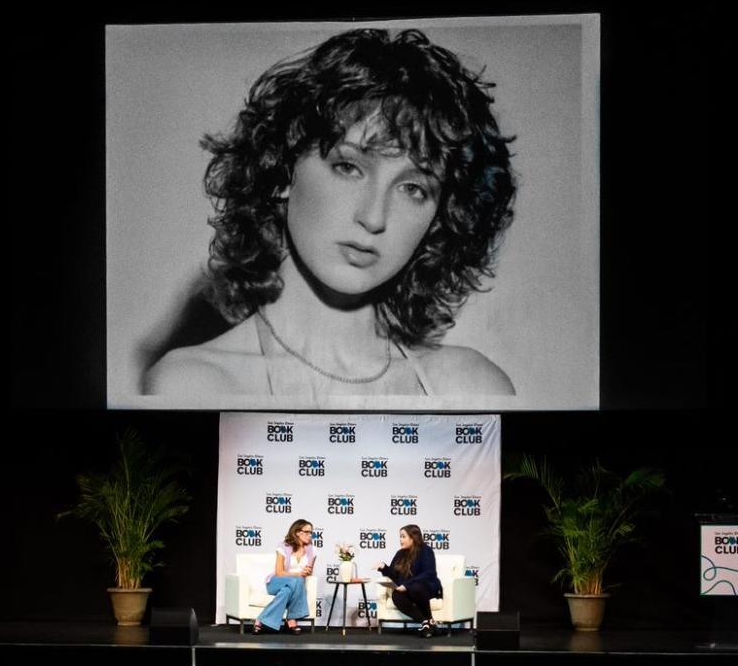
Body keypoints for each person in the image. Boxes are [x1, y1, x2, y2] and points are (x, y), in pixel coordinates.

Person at [146, 27, 517, 401]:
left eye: (413, 188)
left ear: (439, 216)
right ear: (284, 168)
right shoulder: (194, 385)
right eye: (348, 167)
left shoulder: (472, 386)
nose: (374, 218)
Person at [375, 523, 443, 637]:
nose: (401, 540)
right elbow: (394, 574)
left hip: (426, 587)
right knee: (396, 595)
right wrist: (383, 567)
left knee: (416, 588)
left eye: (403, 536)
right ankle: (425, 622)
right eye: (400, 537)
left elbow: (428, 573)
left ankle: (430, 620)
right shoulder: (400, 553)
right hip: (407, 589)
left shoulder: (425, 551)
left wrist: (407, 585)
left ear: (413, 538)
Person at [254, 519, 314, 635]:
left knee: (286, 591)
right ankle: (292, 619)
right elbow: (279, 572)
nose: (309, 535)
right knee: (297, 580)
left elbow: (309, 571)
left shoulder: (312, 549)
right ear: (297, 532)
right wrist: (297, 574)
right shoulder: (283, 547)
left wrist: (307, 572)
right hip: (276, 582)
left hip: (295, 585)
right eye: (306, 532)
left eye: (311, 532)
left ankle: (260, 620)